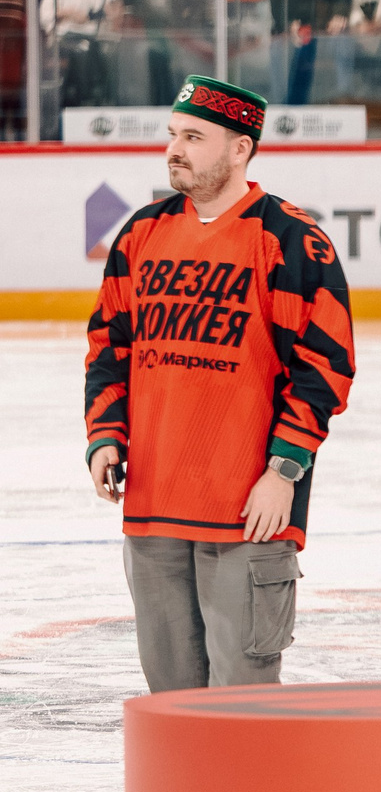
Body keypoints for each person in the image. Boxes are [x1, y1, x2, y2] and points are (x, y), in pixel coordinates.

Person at [81, 76, 355, 690]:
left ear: (240, 148)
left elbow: (324, 368)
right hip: (152, 510)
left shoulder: (288, 241)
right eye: (173, 135)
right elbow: (108, 347)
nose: (175, 149)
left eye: (194, 137)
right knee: (175, 707)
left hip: (247, 513)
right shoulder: (141, 234)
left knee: (244, 707)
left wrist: (283, 472)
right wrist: (105, 436)